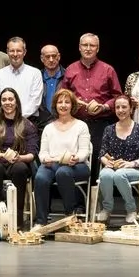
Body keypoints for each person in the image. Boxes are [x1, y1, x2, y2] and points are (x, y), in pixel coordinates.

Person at [62, 33, 123, 175]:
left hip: (101, 123)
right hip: (76, 122)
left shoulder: (108, 69)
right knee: (75, 158)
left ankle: (95, 194)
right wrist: (73, 100)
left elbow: (118, 97)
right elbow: (62, 95)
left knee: (97, 158)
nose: (88, 48)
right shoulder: (71, 69)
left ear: (98, 48)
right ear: (79, 47)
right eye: (85, 45)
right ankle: (78, 194)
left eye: (92, 45)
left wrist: (104, 106)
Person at [0, 87, 37, 231]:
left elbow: (32, 154)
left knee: (20, 168)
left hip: (18, 162)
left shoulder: (27, 125)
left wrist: (20, 157)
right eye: (4, 100)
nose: (7, 102)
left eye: (11, 99)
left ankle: (17, 217)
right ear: (0, 103)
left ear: (17, 102)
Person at [34, 89, 91, 225]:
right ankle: (41, 221)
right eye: (60, 102)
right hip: (52, 164)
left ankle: (70, 214)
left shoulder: (81, 126)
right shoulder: (48, 128)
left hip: (77, 165)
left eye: (67, 102)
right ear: (55, 105)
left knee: (63, 172)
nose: (63, 105)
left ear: (72, 105)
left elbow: (85, 151)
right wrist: (44, 159)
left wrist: (76, 158)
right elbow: (43, 152)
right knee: (40, 177)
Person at [95, 94, 139, 224]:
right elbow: (102, 153)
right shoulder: (109, 129)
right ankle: (107, 208)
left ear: (131, 109)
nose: (120, 110)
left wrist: (129, 164)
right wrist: (106, 161)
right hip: (113, 167)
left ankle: (131, 209)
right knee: (105, 174)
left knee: (120, 175)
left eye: (124, 107)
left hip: (133, 169)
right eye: (117, 107)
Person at [0, 37, 43, 122]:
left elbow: (35, 102)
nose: (15, 54)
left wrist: (16, 117)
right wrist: (9, 117)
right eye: (12, 51)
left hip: (29, 121)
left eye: (18, 51)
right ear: (7, 52)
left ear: (24, 52)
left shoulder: (35, 73)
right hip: (5, 122)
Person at [36, 44, 65, 131]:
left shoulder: (68, 76)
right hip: (41, 126)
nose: (51, 60)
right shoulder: (37, 78)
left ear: (59, 56)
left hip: (64, 123)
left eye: (54, 56)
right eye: (47, 57)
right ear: (42, 58)